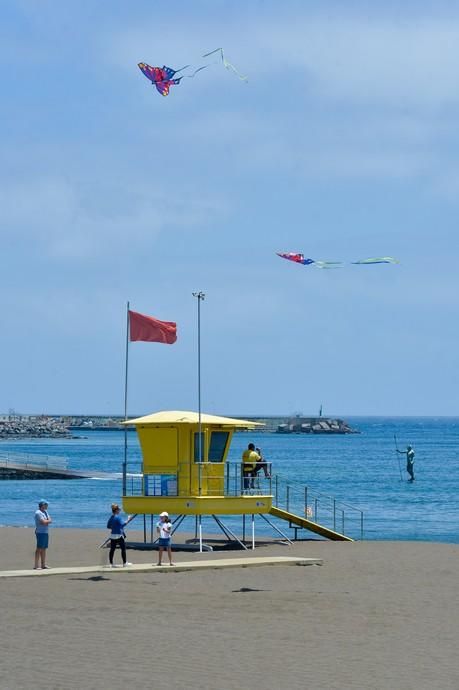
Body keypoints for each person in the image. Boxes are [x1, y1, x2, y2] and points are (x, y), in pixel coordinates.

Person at [34, 500, 52, 569]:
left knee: (44, 548)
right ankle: (36, 565)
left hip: (45, 532)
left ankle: (43, 565)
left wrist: (47, 521)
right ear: (43, 505)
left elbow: (50, 520)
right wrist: (47, 521)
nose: (47, 506)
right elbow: (43, 522)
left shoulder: (45, 512)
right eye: (46, 504)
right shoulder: (38, 513)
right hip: (40, 532)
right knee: (39, 548)